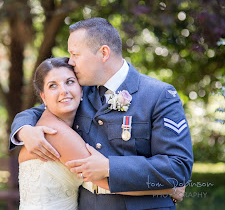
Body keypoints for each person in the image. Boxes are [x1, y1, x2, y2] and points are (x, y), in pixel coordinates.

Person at [11, 18, 193, 210]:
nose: (70, 62)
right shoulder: (80, 92)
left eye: (75, 54)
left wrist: (109, 167)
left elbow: (178, 167)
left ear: (104, 53)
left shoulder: (158, 95)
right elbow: (37, 111)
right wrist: (24, 131)